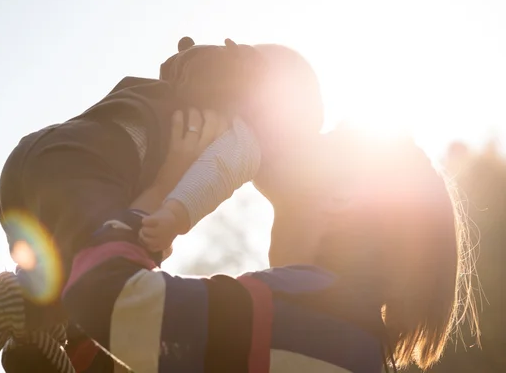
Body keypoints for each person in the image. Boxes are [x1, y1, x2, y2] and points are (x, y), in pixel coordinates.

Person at [0, 38, 324, 373]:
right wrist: (175, 215)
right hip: (89, 167)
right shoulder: (247, 136)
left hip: (32, 167)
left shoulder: (181, 85)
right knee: (120, 252)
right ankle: (7, 304)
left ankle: (45, 336)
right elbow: (214, 172)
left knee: (76, 253)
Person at [60, 124, 479, 373]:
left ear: (343, 195)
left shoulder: (302, 308)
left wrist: (158, 192)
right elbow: (118, 353)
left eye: (324, 139)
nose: (293, 137)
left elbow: (103, 296)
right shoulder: (350, 335)